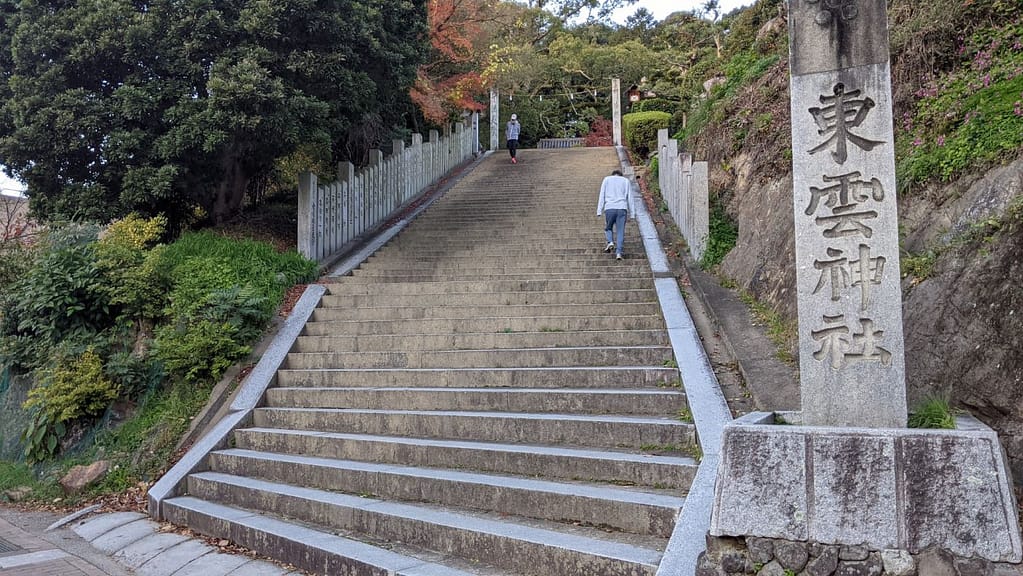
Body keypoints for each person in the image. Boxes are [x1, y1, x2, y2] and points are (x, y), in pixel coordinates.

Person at [596, 169, 635, 260]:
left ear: (613, 174)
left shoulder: (606, 179)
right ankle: (618, 253)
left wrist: (599, 210)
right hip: (622, 208)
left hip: (610, 207)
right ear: (620, 175)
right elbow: (630, 197)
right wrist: (633, 213)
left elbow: (602, 195)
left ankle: (610, 242)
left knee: (608, 227)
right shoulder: (625, 181)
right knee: (620, 231)